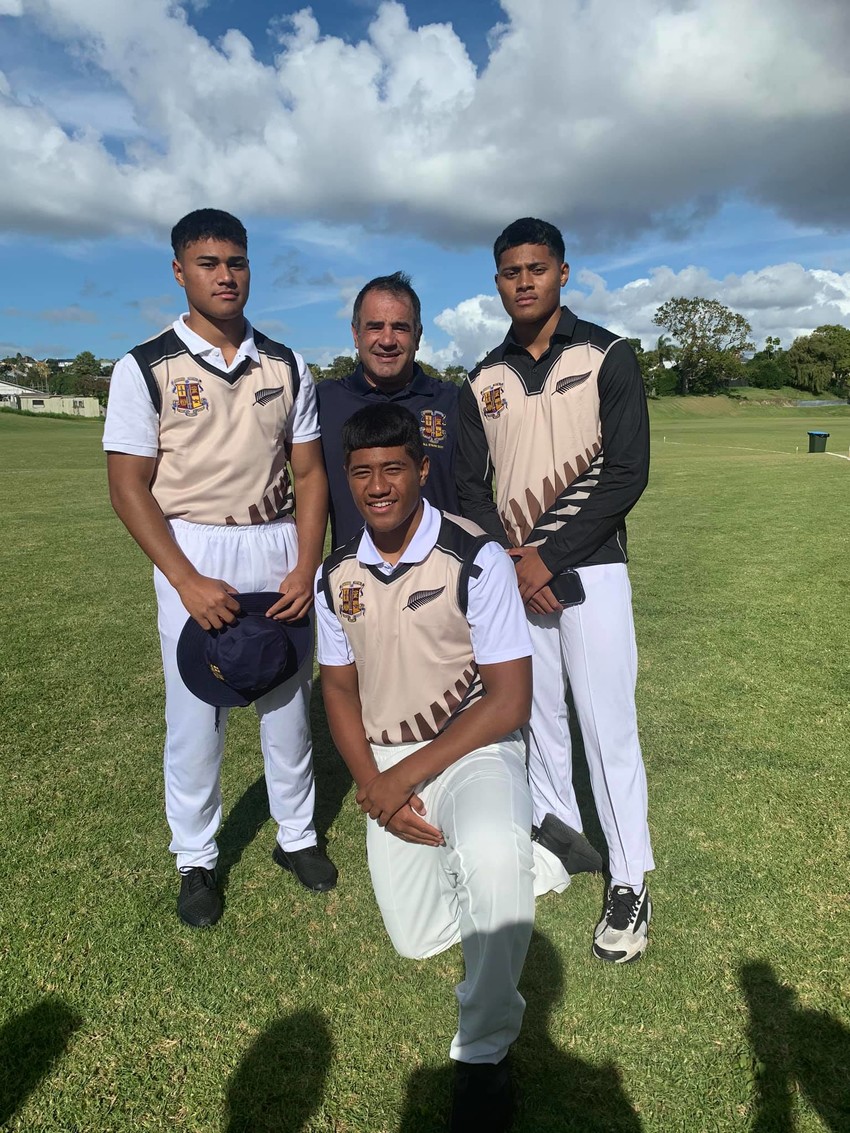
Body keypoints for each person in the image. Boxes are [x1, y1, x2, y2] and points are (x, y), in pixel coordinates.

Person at [315, 403, 569, 1131]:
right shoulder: (341, 571)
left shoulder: (475, 555)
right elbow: (337, 687)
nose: (378, 485)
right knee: (417, 936)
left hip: (472, 744)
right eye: (361, 472)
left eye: (393, 467)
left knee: (488, 860)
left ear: (422, 470)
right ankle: (542, 863)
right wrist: (375, 782)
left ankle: (484, 1054)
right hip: (387, 761)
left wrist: (404, 779)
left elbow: (510, 701)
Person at [103, 208, 337, 928]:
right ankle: (196, 857)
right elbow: (127, 486)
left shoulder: (285, 362)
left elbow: (309, 472)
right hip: (193, 547)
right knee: (196, 711)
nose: (225, 275)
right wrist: (186, 579)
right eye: (208, 263)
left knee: (286, 702)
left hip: (273, 540)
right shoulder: (145, 366)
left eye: (235, 261)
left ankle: (295, 836)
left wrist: (307, 563)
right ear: (180, 272)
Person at [456, 217, 654, 964]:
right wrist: (513, 563)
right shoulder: (483, 379)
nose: (525, 281)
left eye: (538, 268)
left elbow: (628, 472)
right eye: (511, 271)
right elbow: (472, 489)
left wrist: (548, 555)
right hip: (516, 575)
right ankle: (562, 837)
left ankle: (631, 877)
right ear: (498, 280)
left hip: (592, 565)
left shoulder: (609, 354)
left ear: (563, 273)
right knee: (539, 715)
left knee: (607, 726)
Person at [317, 271, 459, 549]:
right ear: (355, 335)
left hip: (442, 574)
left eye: (400, 327)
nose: (387, 340)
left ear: (417, 336)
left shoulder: (452, 402)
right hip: (355, 578)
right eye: (374, 326)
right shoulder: (323, 402)